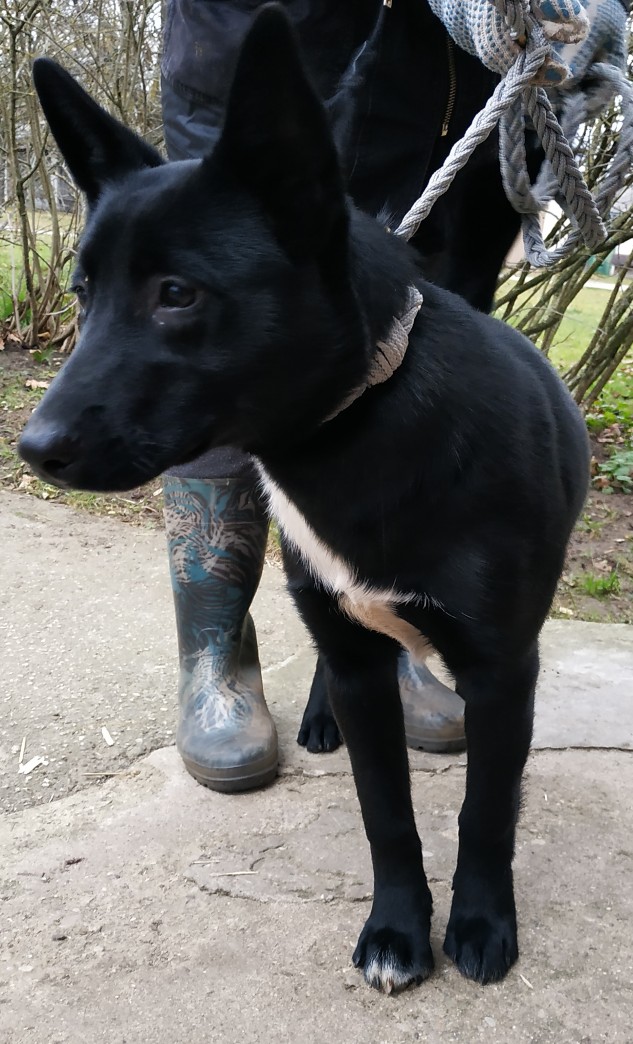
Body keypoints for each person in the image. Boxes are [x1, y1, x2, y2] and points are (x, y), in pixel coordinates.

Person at [160, 0, 533, 793]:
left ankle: (387, 634)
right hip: (265, 38)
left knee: (425, 349)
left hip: (459, 63)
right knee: (225, 343)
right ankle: (213, 655)